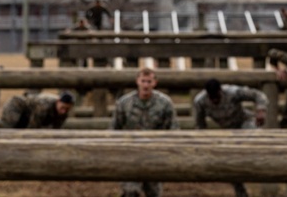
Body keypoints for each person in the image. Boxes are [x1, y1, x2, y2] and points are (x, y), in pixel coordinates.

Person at [193, 79, 269, 197]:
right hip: (228, 131)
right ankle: (241, 193)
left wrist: (261, 110)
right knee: (230, 161)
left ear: (220, 91)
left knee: (255, 140)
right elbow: (200, 125)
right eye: (211, 98)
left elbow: (258, 94)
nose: (215, 101)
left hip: (244, 122)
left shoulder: (232, 92)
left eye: (217, 97)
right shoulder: (200, 101)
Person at [112, 68, 179, 197]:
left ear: (155, 83)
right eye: (143, 81)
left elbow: (174, 130)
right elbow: (115, 128)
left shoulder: (165, 103)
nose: (146, 85)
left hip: (155, 155)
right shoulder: (124, 103)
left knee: (154, 193)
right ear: (137, 81)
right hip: (130, 155)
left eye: (149, 82)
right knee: (130, 192)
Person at [0, 91, 75, 129]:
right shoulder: (43, 107)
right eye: (62, 108)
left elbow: (56, 129)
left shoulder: (64, 112)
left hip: (27, 114)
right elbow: (32, 129)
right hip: (16, 106)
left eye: (67, 109)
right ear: (58, 102)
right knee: (7, 127)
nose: (64, 111)